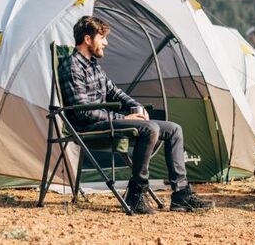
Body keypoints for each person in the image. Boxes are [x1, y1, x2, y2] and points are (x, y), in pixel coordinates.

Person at [58, 15, 214, 214]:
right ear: (87, 40)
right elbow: (84, 112)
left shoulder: (93, 66)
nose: (106, 43)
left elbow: (115, 92)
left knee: (174, 129)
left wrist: (137, 107)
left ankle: (181, 194)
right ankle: (136, 193)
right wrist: (123, 119)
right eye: (102, 37)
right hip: (87, 128)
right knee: (150, 129)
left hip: (105, 122)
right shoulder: (72, 66)